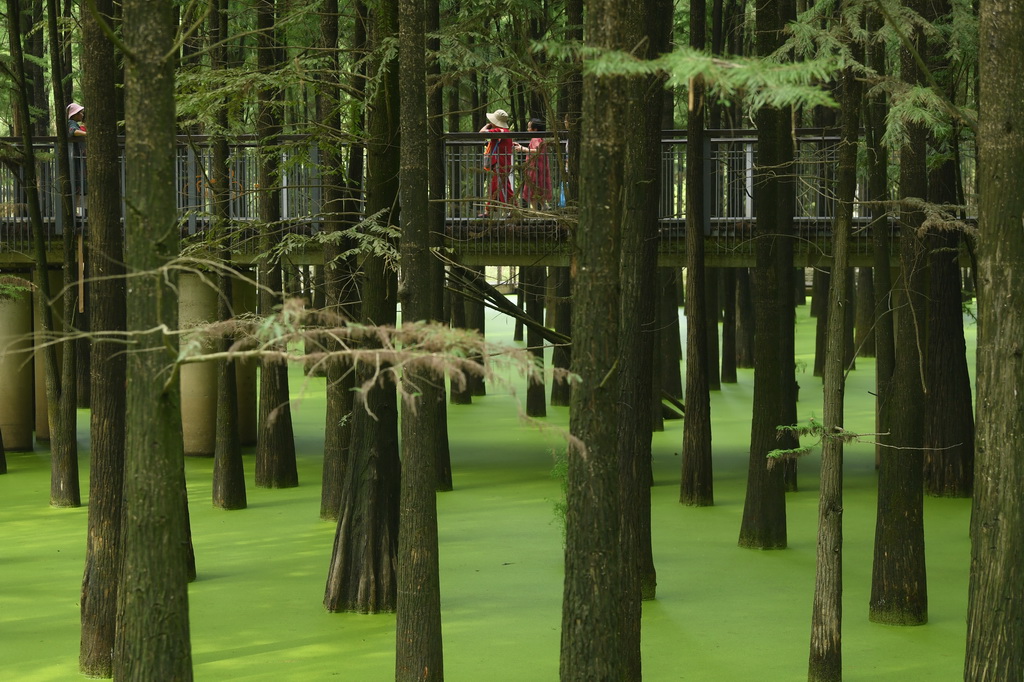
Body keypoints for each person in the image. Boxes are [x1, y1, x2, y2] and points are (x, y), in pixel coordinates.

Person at [479, 109, 513, 216]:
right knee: (495, 185)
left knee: (503, 186)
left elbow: (481, 133)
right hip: (502, 163)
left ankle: (512, 209)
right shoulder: (505, 132)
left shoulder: (499, 131)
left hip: (500, 163)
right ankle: (488, 210)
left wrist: (488, 126)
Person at [514, 118, 552, 209]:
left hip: (535, 167)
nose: (528, 129)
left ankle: (536, 213)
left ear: (535, 129)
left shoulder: (536, 138)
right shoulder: (540, 138)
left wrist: (522, 149)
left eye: (529, 127)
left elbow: (537, 151)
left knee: (532, 190)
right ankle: (544, 206)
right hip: (539, 166)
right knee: (538, 188)